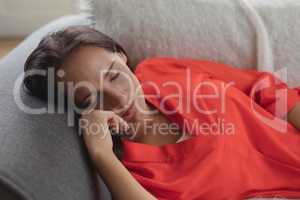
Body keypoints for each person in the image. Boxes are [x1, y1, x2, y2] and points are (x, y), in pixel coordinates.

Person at [23, 26, 300, 200]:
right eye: (91, 97)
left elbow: (265, 88)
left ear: (121, 55)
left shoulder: (161, 70)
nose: (119, 98)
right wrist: (102, 156)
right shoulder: (130, 170)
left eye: (114, 75)